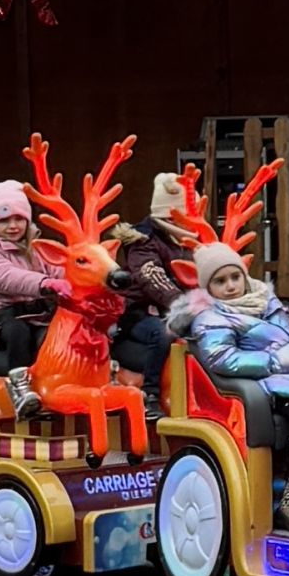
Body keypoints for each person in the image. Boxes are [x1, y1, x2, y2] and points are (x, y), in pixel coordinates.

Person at [169, 241, 289, 532]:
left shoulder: (265, 302)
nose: (230, 286)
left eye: (235, 277)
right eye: (220, 281)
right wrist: (270, 362)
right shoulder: (212, 317)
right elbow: (221, 358)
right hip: (267, 385)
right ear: (208, 287)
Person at [0, 179, 62, 419]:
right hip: (6, 318)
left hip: (39, 317)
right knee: (18, 332)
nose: (13, 226)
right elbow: (7, 277)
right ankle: (20, 389)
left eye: (18, 219)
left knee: (60, 336)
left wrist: (75, 280)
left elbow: (59, 268)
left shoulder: (38, 249)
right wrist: (44, 284)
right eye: (4, 220)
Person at [113, 173, 198, 418]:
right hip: (141, 312)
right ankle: (150, 395)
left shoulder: (188, 239)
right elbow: (152, 278)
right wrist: (182, 305)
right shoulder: (142, 240)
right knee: (162, 333)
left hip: (183, 309)